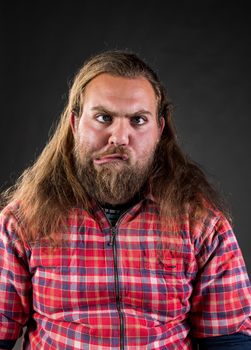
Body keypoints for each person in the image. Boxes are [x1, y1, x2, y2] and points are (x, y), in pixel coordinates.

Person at [0, 50, 251, 350]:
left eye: (138, 120)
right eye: (103, 117)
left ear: (159, 130)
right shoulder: (22, 223)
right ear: (75, 122)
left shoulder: (202, 224)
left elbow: (231, 342)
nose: (119, 136)